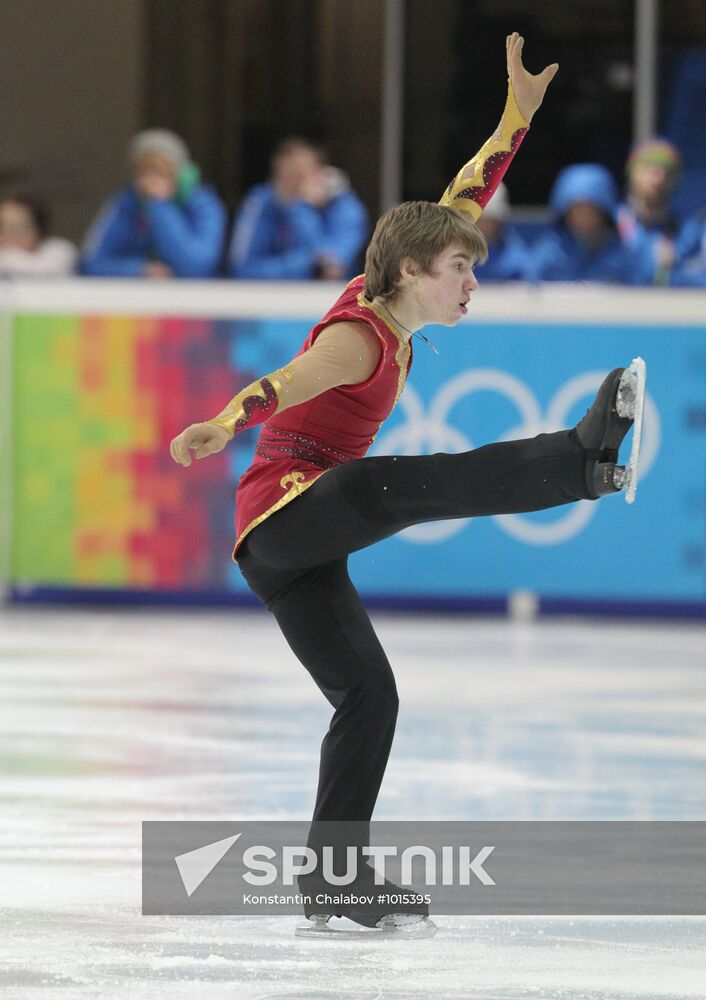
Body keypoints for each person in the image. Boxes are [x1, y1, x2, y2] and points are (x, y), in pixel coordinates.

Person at [170, 34, 637, 934]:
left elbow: (468, 189)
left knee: (369, 696)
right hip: (285, 515)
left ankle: (333, 880)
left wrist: (515, 119)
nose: (472, 282)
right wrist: (223, 425)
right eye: (462, 270)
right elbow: (282, 385)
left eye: (474, 266)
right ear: (412, 273)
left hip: (300, 546)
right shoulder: (357, 339)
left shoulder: (402, 287)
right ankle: (580, 457)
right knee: (401, 485)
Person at [80, 129, 226, 278]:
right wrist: (138, 270)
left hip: (193, 298)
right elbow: (91, 263)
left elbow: (196, 267)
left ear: (179, 175)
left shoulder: (204, 205)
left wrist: (159, 206)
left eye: (161, 172)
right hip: (137, 297)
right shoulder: (125, 204)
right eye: (144, 172)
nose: (151, 181)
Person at [228, 137, 368, 280]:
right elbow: (242, 268)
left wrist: (300, 208)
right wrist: (305, 263)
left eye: (299, 178)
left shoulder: (345, 206)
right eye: (283, 177)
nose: (289, 186)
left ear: (319, 176)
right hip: (272, 296)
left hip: (332, 299)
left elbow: (331, 269)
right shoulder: (261, 201)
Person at [527, 163, 654, 285]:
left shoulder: (627, 248)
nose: (583, 217)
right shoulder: (550, 251)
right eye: (575, 209)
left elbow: (642, 289)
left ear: (604, 212)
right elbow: (529, 287)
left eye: (590, 210)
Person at [616, 138, 696, 285]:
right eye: (650, 171)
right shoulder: (609, 224)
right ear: (632, 173)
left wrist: (674, 271)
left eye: (667, 172)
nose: (659, 179)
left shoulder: (689, 230)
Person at [0, 191, 77, 276]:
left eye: (17, 229)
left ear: (38, 230)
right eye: (2, 228)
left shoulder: (59, 252)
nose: (8, 236)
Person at [473, 182, 531, 281]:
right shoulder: (451, 256)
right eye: (478, 219)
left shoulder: (518, 261)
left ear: (500, 221)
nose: (483, 226)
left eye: (490, 220)